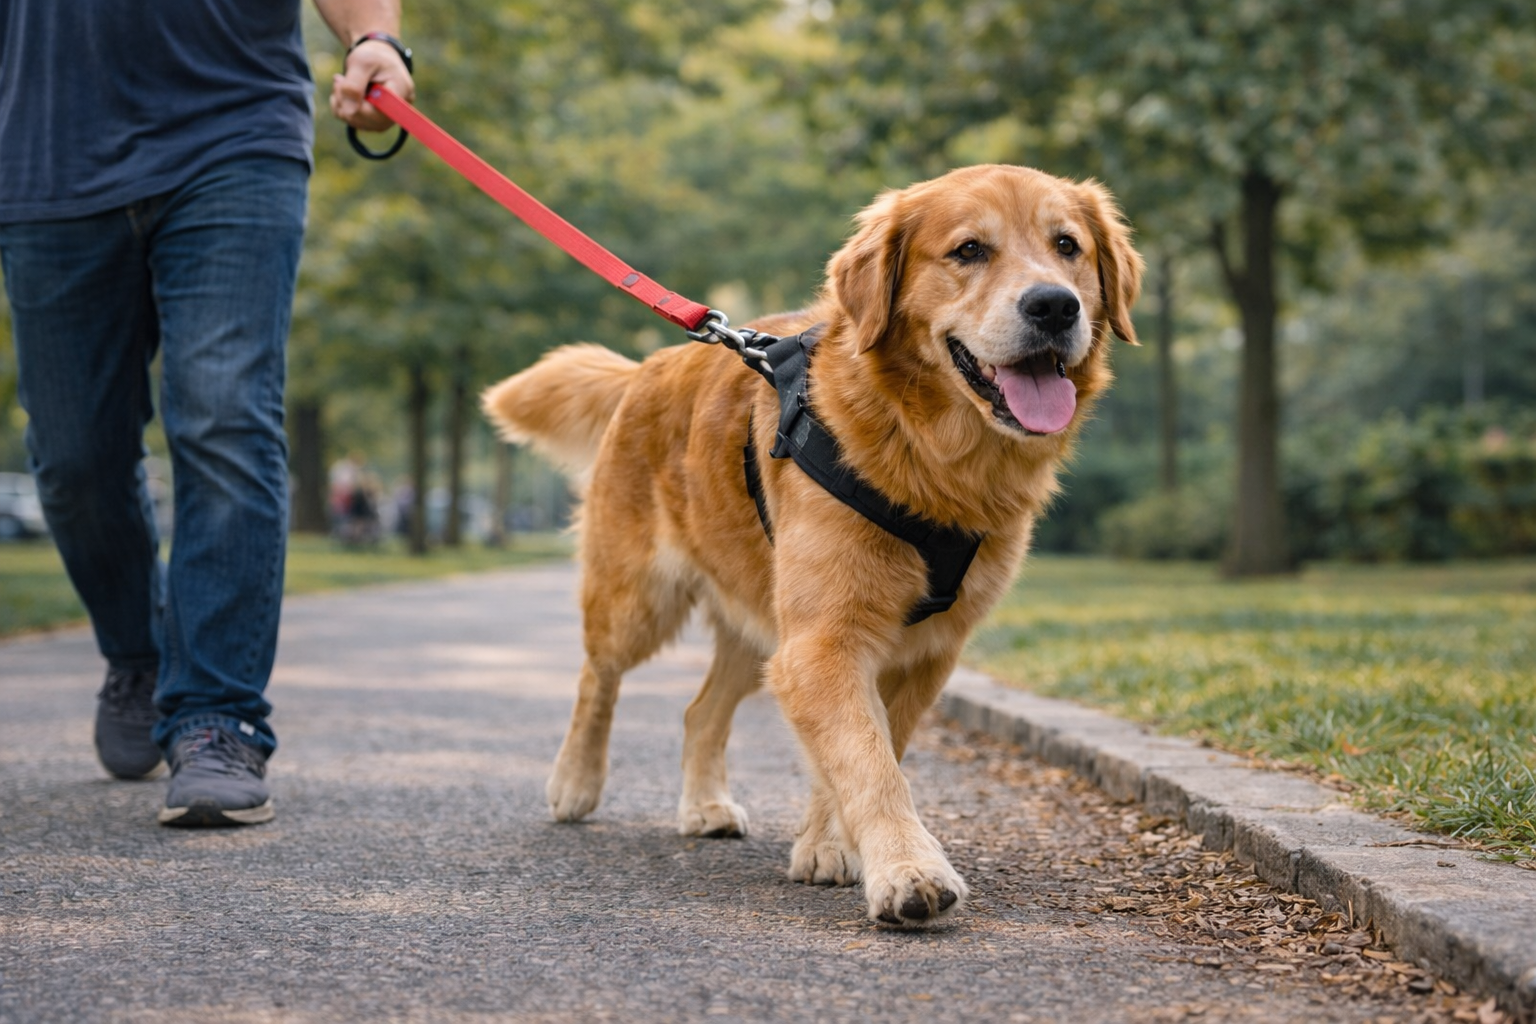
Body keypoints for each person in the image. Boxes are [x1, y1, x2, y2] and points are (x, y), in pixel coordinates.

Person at [0, 0, 415, 826]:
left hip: (234, 136)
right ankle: (137, 655)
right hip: (46, 156)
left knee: (224, 418)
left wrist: (375, 39)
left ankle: (218, 718)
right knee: (74, 459)